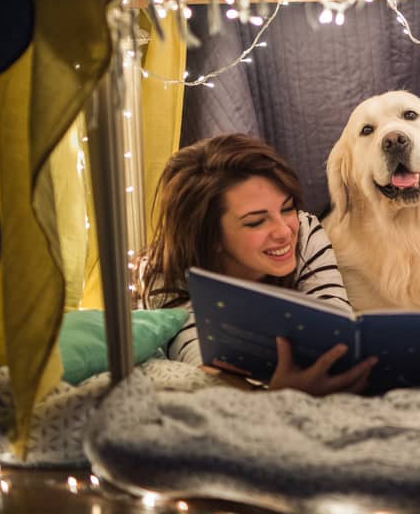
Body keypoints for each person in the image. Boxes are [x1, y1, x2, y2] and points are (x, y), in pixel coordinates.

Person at [137, 133, 376, 394]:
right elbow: (207, 373)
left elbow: (336, 329)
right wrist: (279, 392)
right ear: (211, 235)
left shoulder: (304, 229)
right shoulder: (167, 276)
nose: (284, 231)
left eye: (286, 208)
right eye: (256, 222)